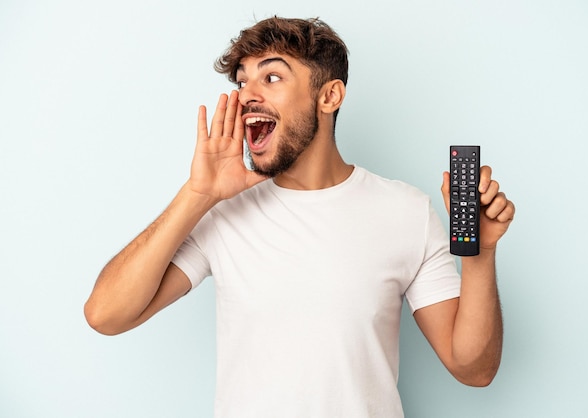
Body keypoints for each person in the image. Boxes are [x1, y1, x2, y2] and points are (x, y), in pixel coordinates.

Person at [84, 16, 515, 417]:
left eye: (271, 76)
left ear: (329, 96)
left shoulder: (406, 212)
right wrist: (198, 194)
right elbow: (106, 314)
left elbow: (473, 369)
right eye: (243, 81)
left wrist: (480, 253)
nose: (248, 93)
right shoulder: (223, 214)